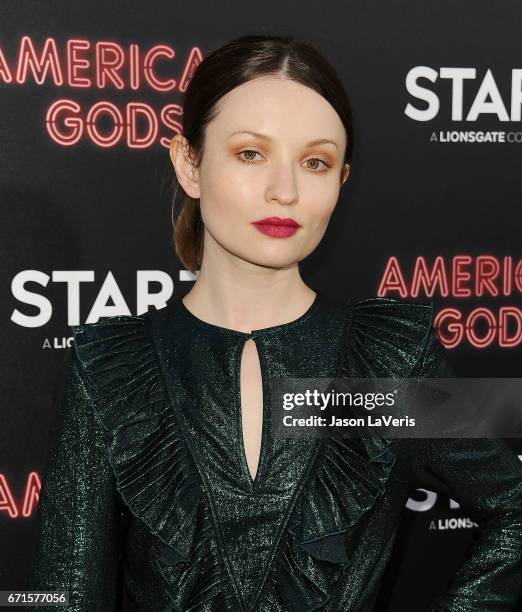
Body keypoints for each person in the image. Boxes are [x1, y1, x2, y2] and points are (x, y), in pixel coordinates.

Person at [28, 34, 522, 611]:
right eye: (251, 153)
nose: (284, 191)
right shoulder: (113, 364)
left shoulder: (384, 359)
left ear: (340, 183)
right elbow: (65, 591)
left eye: (315, 162)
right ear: (189, 163)